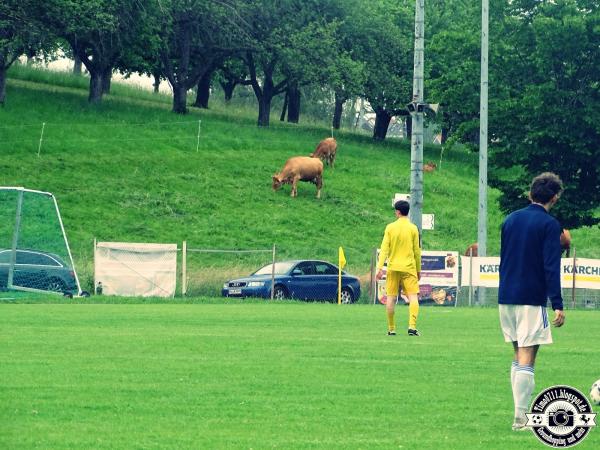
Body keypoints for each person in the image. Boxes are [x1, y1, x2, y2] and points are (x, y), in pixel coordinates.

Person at [498, 172, 566, 431]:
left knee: (517, 353)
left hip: (506, 297)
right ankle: (520, 418)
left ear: (530, 194)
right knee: (528, 355)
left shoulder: (510, 220)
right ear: (555, 197)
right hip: (530, 298)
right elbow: (551, 266)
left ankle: (520, 415)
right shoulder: (549, 225)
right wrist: (557, 303)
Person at [376, 200, 422, 336]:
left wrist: (380, 268)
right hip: (409, 268)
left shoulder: (390, 227)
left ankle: (391, 329)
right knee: (413, 298)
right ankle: (412, 327)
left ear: (397, 212)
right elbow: (417, 252)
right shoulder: (413, 229)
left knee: (391, 298)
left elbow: (384, 249)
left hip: (393, 268)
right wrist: (418, 270)